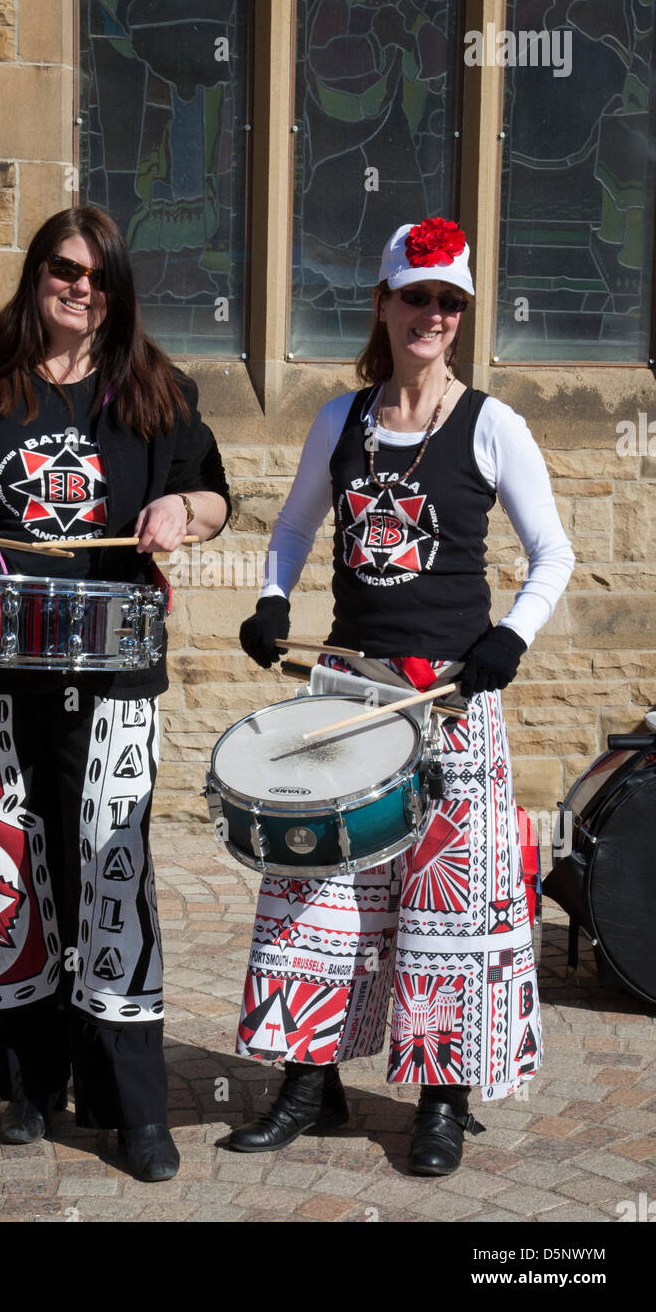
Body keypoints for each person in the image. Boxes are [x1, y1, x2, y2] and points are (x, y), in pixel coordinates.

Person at [0, 206, 230, 1182]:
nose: (80, 288)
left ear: (117, 293)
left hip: (110, 674)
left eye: (99, 277)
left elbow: (211, 493)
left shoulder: (150, 393)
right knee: (4, 860)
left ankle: (132, 1105)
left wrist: (180, 512)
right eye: (63, 270)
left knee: (109, 871)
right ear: (37, 274)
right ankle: (29, 1085)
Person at [230, 218, 574, 1174]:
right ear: (382, 303)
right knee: (316, 888)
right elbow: (295, 527)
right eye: (416, 294)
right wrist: (269, 601)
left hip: (454, 701)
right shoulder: (342, 419)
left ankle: (441, 1101)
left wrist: (513, 633)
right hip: (348, 691)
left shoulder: (493, 424)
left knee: (446, 910)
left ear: (461, 316)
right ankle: (311, 1083)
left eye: (449, 300)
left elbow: (554, 554)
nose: (433, 313)